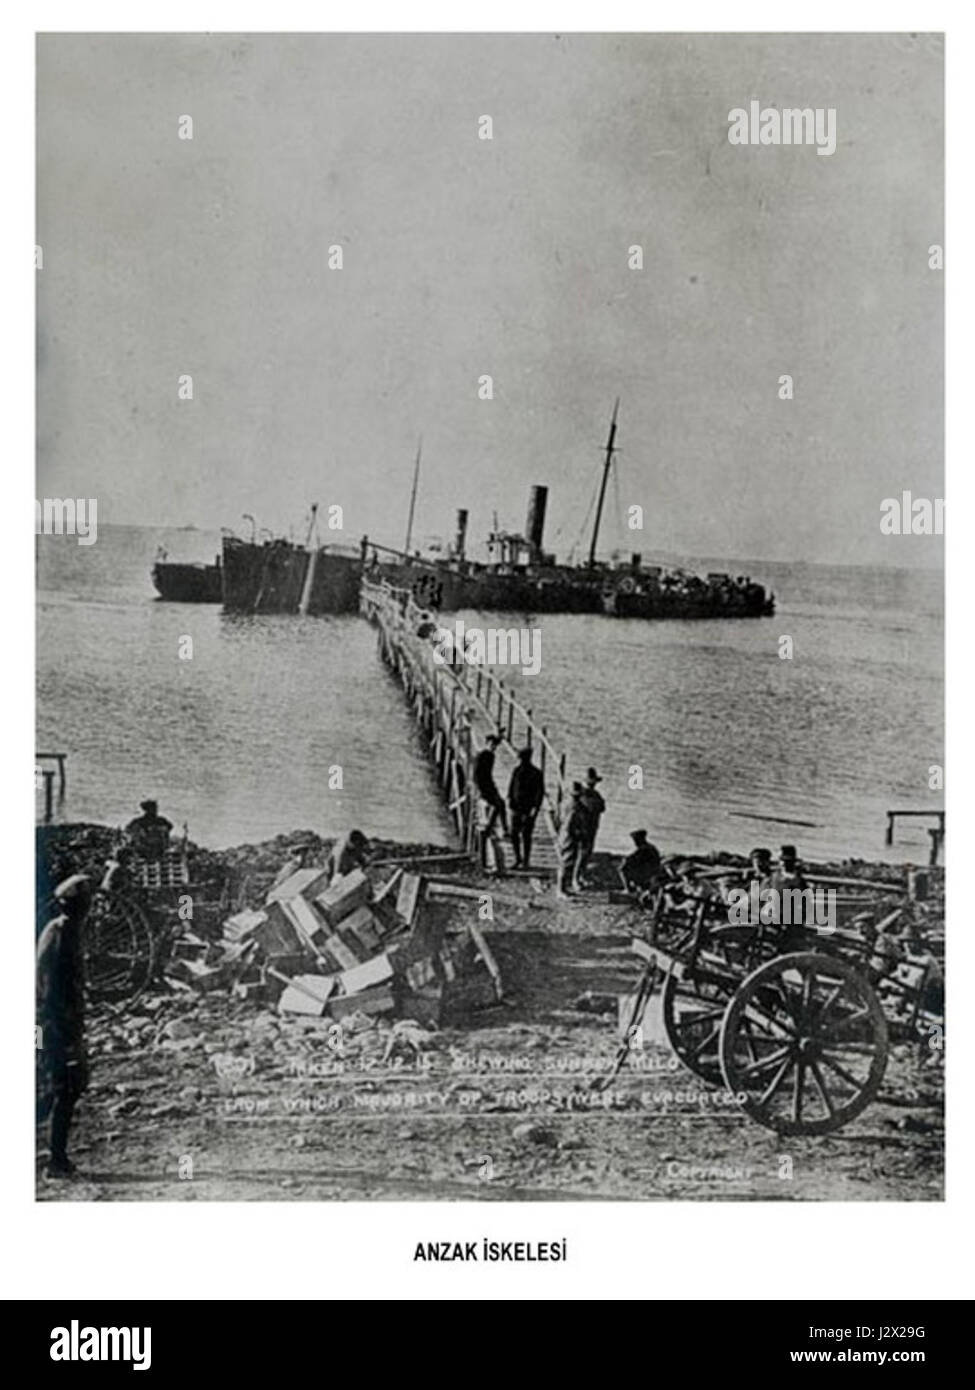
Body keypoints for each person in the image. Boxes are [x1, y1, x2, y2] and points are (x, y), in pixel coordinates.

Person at [36, 874, 92, 1179]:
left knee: (60, 1085)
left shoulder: (63, 928)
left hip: (55, 1020)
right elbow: (53, 988)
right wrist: (67, 1031)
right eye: (86, 901)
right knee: (65, 1086)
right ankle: (55, 1161)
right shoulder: (62, 933)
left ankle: (54, 1156)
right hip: (53, 1022)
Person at [507, 746, 545, 869]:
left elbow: (540, 793)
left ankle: (526, 861)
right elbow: (511, 787)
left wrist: (535, 808)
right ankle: (518, 858)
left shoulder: (536, 773)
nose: (521, 760)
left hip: (528, 809)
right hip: (516, 807)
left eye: (523, 758)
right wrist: (509, 800)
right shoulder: (516, 771)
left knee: (526, 835)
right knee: (513, 833)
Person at [557, 783, 589, 898]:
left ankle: (563, 888)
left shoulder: (565, 804)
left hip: (563, 836)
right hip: (570, 838)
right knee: (566, 863)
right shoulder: (574, 808)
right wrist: (580, 834)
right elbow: (570, 826)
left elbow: (561, 820)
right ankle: (560, 890)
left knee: (565, 862)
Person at [473, 733, 508, 838]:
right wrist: (480, 789)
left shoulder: (491, 755)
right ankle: (493, 828)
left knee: (500, 804)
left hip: (489, 786)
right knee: (499, 805)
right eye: (492, 745)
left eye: (495, 746)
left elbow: (488, 775)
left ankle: (499, 828)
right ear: (487, 744)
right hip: (484, 787)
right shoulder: (482, 756)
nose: (494, 747)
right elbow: (477, 775)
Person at [577, 767, 606, 885]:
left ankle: (581, 875)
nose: (593, 784)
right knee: (583, 852)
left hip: (591, 826)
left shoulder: (592, 794)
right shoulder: (587, 795)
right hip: (586, 827)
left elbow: (602, 808)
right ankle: (579, 876)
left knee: (586, 852)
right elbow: (600, 807)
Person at [619, 829, 662, 895]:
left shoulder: (644, 849)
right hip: (653, 872)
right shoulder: (651, 847)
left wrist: (625, 860)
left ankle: (628, 890)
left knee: (622, 869)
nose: (635, 843)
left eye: (635, 840)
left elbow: (630, 859)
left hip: (647, 875)